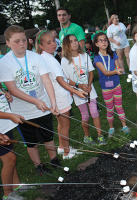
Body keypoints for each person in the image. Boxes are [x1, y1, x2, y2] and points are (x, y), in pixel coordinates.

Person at [0, 25, 61, 175]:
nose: (21, 44)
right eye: (16, 41)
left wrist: (52, 102)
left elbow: (46, 81)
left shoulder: (36, 57)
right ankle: (38, 166)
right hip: (22, 111)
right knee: (31, 142)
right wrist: (35, 102)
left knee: (48, 136)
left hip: (43, 105)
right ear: (7, 43)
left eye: (24, 40)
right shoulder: (5, 62)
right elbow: (13, 89)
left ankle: (54, 160)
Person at [36, 30, 87, 159]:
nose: (53, 44)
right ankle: (66, 152)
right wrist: (75, 91)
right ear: (41, 46)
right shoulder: (50, 60)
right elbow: (60, 79)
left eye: (53, 40)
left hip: (55, 96)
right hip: (59, 97)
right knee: (65, 125)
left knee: (60, 123)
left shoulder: (45, 57)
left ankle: (61, 147)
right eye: (48, 42)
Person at [61, 34, 106, 145]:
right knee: (85, 115)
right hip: (78, 91)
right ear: (66, 45)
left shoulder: (84, 56)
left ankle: (100, 136)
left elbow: (91, 72)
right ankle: (87, 136)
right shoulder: (64, 61)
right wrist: (78, 85)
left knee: (95, 112)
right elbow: (65, 79)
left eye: (75, 40)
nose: (75, 43)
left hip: (90, 89)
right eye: (71, 41)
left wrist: (89, 84)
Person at [93, 32, 130, 136]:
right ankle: (111, 128)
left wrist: (119, 69)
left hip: (116, 85)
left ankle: (124, 126)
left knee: (119, 106)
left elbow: (117, 66)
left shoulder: (113, 54)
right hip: (106, 88)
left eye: (105, 40)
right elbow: (105, 72)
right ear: (96, 44)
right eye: (100, 40)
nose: (104, 42)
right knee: (110, 109)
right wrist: (116, 71)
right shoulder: (97, 58)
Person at [0, 86, 28, 200]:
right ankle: (7, 194)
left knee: (10, 155)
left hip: (4, 125)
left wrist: (4, 93)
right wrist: (11, 115)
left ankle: (16, 186)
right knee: (10, 159)